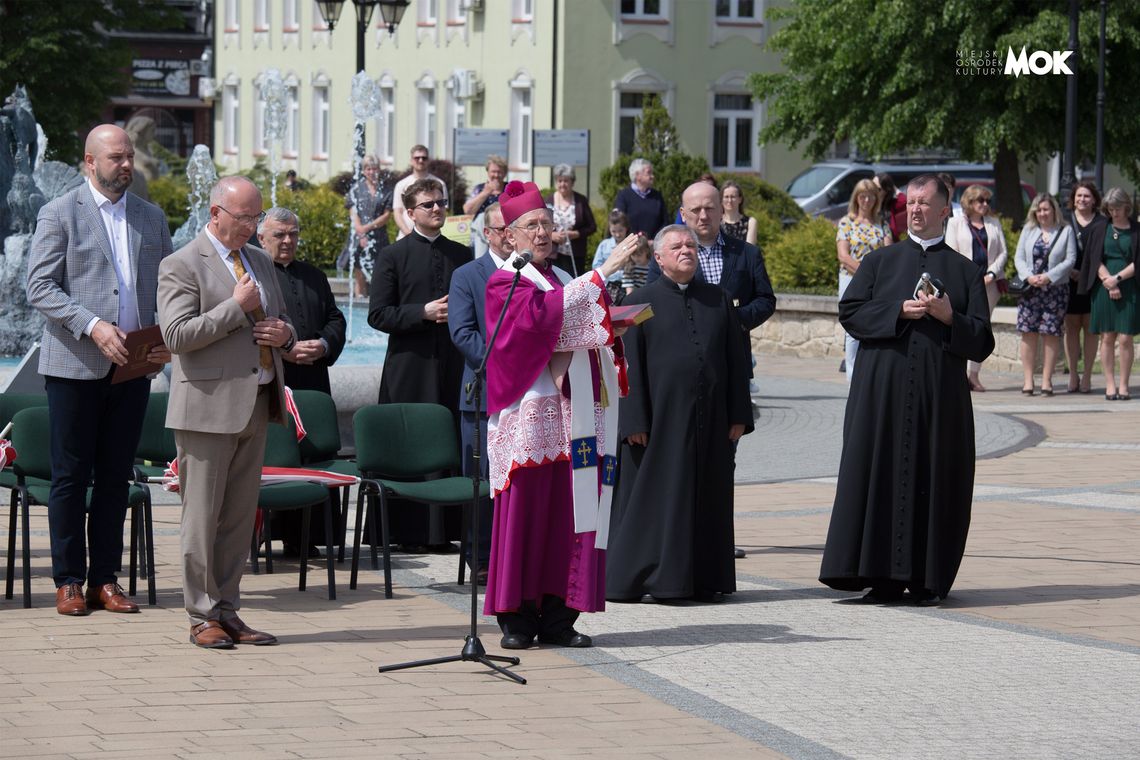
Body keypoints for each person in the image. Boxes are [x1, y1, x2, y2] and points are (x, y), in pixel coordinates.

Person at [819, 174, 995, 606]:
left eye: (923, 202)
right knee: (877, 473)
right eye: (910, 202)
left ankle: (925, 579)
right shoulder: (880, 262)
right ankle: (876, 576)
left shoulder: (965, 271)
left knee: (933, 478)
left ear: (942, 210)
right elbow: (852, 312)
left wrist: (950, 316)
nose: (914, 209)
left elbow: (984, 340)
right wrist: (898, 310)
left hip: (940, 401)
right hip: (882, 398)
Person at [482, 180, 639, 650]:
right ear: (509, 235)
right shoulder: (504, 282)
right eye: (532, 225)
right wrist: (603, 271)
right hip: (529, 422)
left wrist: (612, 324)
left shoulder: (555, 279)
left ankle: (558, 619)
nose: (543, 233)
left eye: (548, 224)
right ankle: (517, 620)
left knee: (568, 518)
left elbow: (569, 320)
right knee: (526, 519)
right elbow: (534, 326)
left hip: (574, 419)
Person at [26, 123, 173, 617]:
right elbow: (40, 287)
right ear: (90, 162)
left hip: (133, 367)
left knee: (115, 476)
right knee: (70, 476)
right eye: (116, 158)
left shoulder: (151, 219)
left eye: (129, 156)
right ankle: (68, 579)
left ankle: (104, 580)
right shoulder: (59, 213)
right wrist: (91, 325)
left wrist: (167, 340)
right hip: (74, 365)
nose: (126, 164)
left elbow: (170, 290)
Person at [158, 175, 297, 648]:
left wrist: (286, 336)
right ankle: (201, 615)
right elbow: (176, 336)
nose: (253, 227)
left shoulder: (258, 260)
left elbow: (278, 321)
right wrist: (235, 308)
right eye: (245, 218)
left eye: (257, 217)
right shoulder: (180, 264)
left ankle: (229, 609)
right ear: (216, 212)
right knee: (202, 518)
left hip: (256, 402)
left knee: (239, 519)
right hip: (206, 408)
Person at [606, 225, 752, 603]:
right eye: (677, 246)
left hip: (711, 422)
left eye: (690, 245)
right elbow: (626, 365)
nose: (686, 250)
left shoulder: (718, 299)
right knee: (655, 500)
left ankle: (703, 579)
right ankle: (647, 579)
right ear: (659, 257)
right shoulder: (638, 299)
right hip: (657, 424)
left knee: (707, 497)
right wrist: (633, 420)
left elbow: (735, 361)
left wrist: (738, 414)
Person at [368, 178, 472, 550]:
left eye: (441, 203)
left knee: (447, 440)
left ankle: (445, 531)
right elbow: (377, 315)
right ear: (410, 213)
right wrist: (422, 312)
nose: (438, 209)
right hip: (409, 365)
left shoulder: (461, 254)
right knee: (410, 444)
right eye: (428, 205)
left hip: (451, 363)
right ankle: (404, 530)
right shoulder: (392, 256)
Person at [447, 202, 513, 584]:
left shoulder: (532, 274)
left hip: (528, 397)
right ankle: (482, 557)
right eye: (501, 228)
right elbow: (463, 332)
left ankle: (514, 551)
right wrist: (505, 362)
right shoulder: (467, 275)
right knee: (483, 483)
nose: (508, 234)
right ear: (487, 234)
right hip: (484, 394)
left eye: (512, 227)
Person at [259, 208, 346, 396]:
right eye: (279, 235)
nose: (288, 241)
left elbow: (335, 318)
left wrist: (323, 345)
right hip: (274, 377)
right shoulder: (253, 276)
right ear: (261, 239)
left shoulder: (315, 275)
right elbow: (248, 327)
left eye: (293, 234)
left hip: (314, 375)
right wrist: (285, 350)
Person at [1078, 187, 1140, 401]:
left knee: (1125, 338)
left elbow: (1137, 262)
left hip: (1129, 286)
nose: (1115, 213)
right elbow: (1093, 258)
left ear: (1127, 207)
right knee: (1107, 336)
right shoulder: (1099, 228)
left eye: (1118, 208)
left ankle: (1124, 385)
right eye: (1111, 209)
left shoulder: (1136, 230)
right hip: (1103, 288)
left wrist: (1118, 279)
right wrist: (1108, 281)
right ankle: (1110, 384)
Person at [944, 184, 1008, 392]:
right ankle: (960, 373)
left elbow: (1003, 253)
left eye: (987, 201)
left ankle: (974, 375)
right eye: (980, 200)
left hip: (989, 285)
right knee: (962, 326)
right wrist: (970, 277)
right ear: (969, 202)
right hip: (964, 284)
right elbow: (951, 252)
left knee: (981, 328)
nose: (985, 204)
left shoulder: (993, 223)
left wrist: (991, 273)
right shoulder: (955, 223)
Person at [1013, 193, 1076, 396]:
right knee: (1028, 333)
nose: (1042, 213)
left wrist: (1049, 276)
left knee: (1051, 334)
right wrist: (1029, 277)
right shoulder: (1029, 230)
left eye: (1046, 209)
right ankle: (1028, 380)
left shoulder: (1065, 231)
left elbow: (1070, 259)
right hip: (1030, 290)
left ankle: (1047, 380)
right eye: (1039, 210)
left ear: (1054, 210)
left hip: (1055, 291)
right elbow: (1019, 257)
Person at [836, 179, 892, 383]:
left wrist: (876, 276)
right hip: (851, 279)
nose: (866, 200)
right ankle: (853, 380)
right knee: (852, 330)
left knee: (874, 326)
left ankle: (870, 377)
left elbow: (888, 253)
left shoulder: (882, 223)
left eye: (870, 196)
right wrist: (866, 273)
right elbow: (843, 255)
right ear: (856, 198)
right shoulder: (846, 222)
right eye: (862, 196)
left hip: (876, 283)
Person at [1065, 181, 1104, 394]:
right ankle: (1072, 374)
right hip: (1069, 281)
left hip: (1093, 282)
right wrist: (1069, 270)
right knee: (1071, 327)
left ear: (1094, 200)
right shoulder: (1065, 219)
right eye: (1079, 196)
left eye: (1087, 196)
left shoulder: (1101, 222)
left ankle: (1087, 376)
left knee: (1090, 328)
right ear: (1073, 199)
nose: (1082, 200)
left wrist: (1086, 274)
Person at [347, 154, 392, 297]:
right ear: (363, 171)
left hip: (379, 236)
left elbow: (386, 216)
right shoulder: (356, 189)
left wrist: (367, 227)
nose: (372, 172)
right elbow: (353, 211)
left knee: (380, 269)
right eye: (368, 169)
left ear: (379, 170)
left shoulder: (386, 190)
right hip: (358, 235)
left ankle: (378, 300)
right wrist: (361, 231)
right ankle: (360, 298)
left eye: (374, 168)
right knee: (359, 269)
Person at [544, 164, 598, 276]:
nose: (562, 184)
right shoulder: (548, 200)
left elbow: (592, 227)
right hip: (553, 253)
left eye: (566, 181)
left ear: (572, 182)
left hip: (575, 254)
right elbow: (541, 225)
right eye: (559, 181)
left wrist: (576, 234)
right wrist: (552, 235)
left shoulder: (581, 201)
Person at [392, 145, 447, 240]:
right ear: (411, 161)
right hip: (405, 237)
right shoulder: (401, 185)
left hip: (432, 238)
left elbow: (443, 209)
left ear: (428, 160)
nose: (421, 160)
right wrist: (408, 233)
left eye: (424, 158)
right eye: (417, 158)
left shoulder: (440, 184)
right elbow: (397, 212)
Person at [615, 158, 667, 238]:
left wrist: (654, 241)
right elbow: (619, 221)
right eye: (649, 173)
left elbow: (665, 222)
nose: (652, 176)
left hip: (653, 246)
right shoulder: (623, 196)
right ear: (637, 175)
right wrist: (637, 241)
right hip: (630, 245)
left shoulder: (657, 196)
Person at [592, 209, 634, 302]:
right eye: (614, 231)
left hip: (627, 286)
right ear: (609, 229)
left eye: (620, 230)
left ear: (626, 228)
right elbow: (596, 266)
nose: (618, 234)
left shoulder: (631, 243)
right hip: (609, 285)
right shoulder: (604, 245)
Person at [462, 154, 507, 218]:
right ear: (488, 172)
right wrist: (485, 192)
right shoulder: (479, 189)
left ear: (505, 173)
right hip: (482, 226)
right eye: (493, 172)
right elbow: (467, 211)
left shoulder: (509, 189)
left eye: (499, 172)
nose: (496, 175)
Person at [720, 180, 758, 246]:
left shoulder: (750, 222)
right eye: (726, 197)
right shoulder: (716, 221)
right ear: (721, 200)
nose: (729, 200)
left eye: (733, 197)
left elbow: (749, 250)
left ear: (740, 199)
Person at [875, 172, 906, 241]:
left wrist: (893, 187)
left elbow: (904, 201)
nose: (873, 190)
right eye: (871, 186)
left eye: (877, 189)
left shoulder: (892, 206)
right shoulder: (865, 203)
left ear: (885, 191)